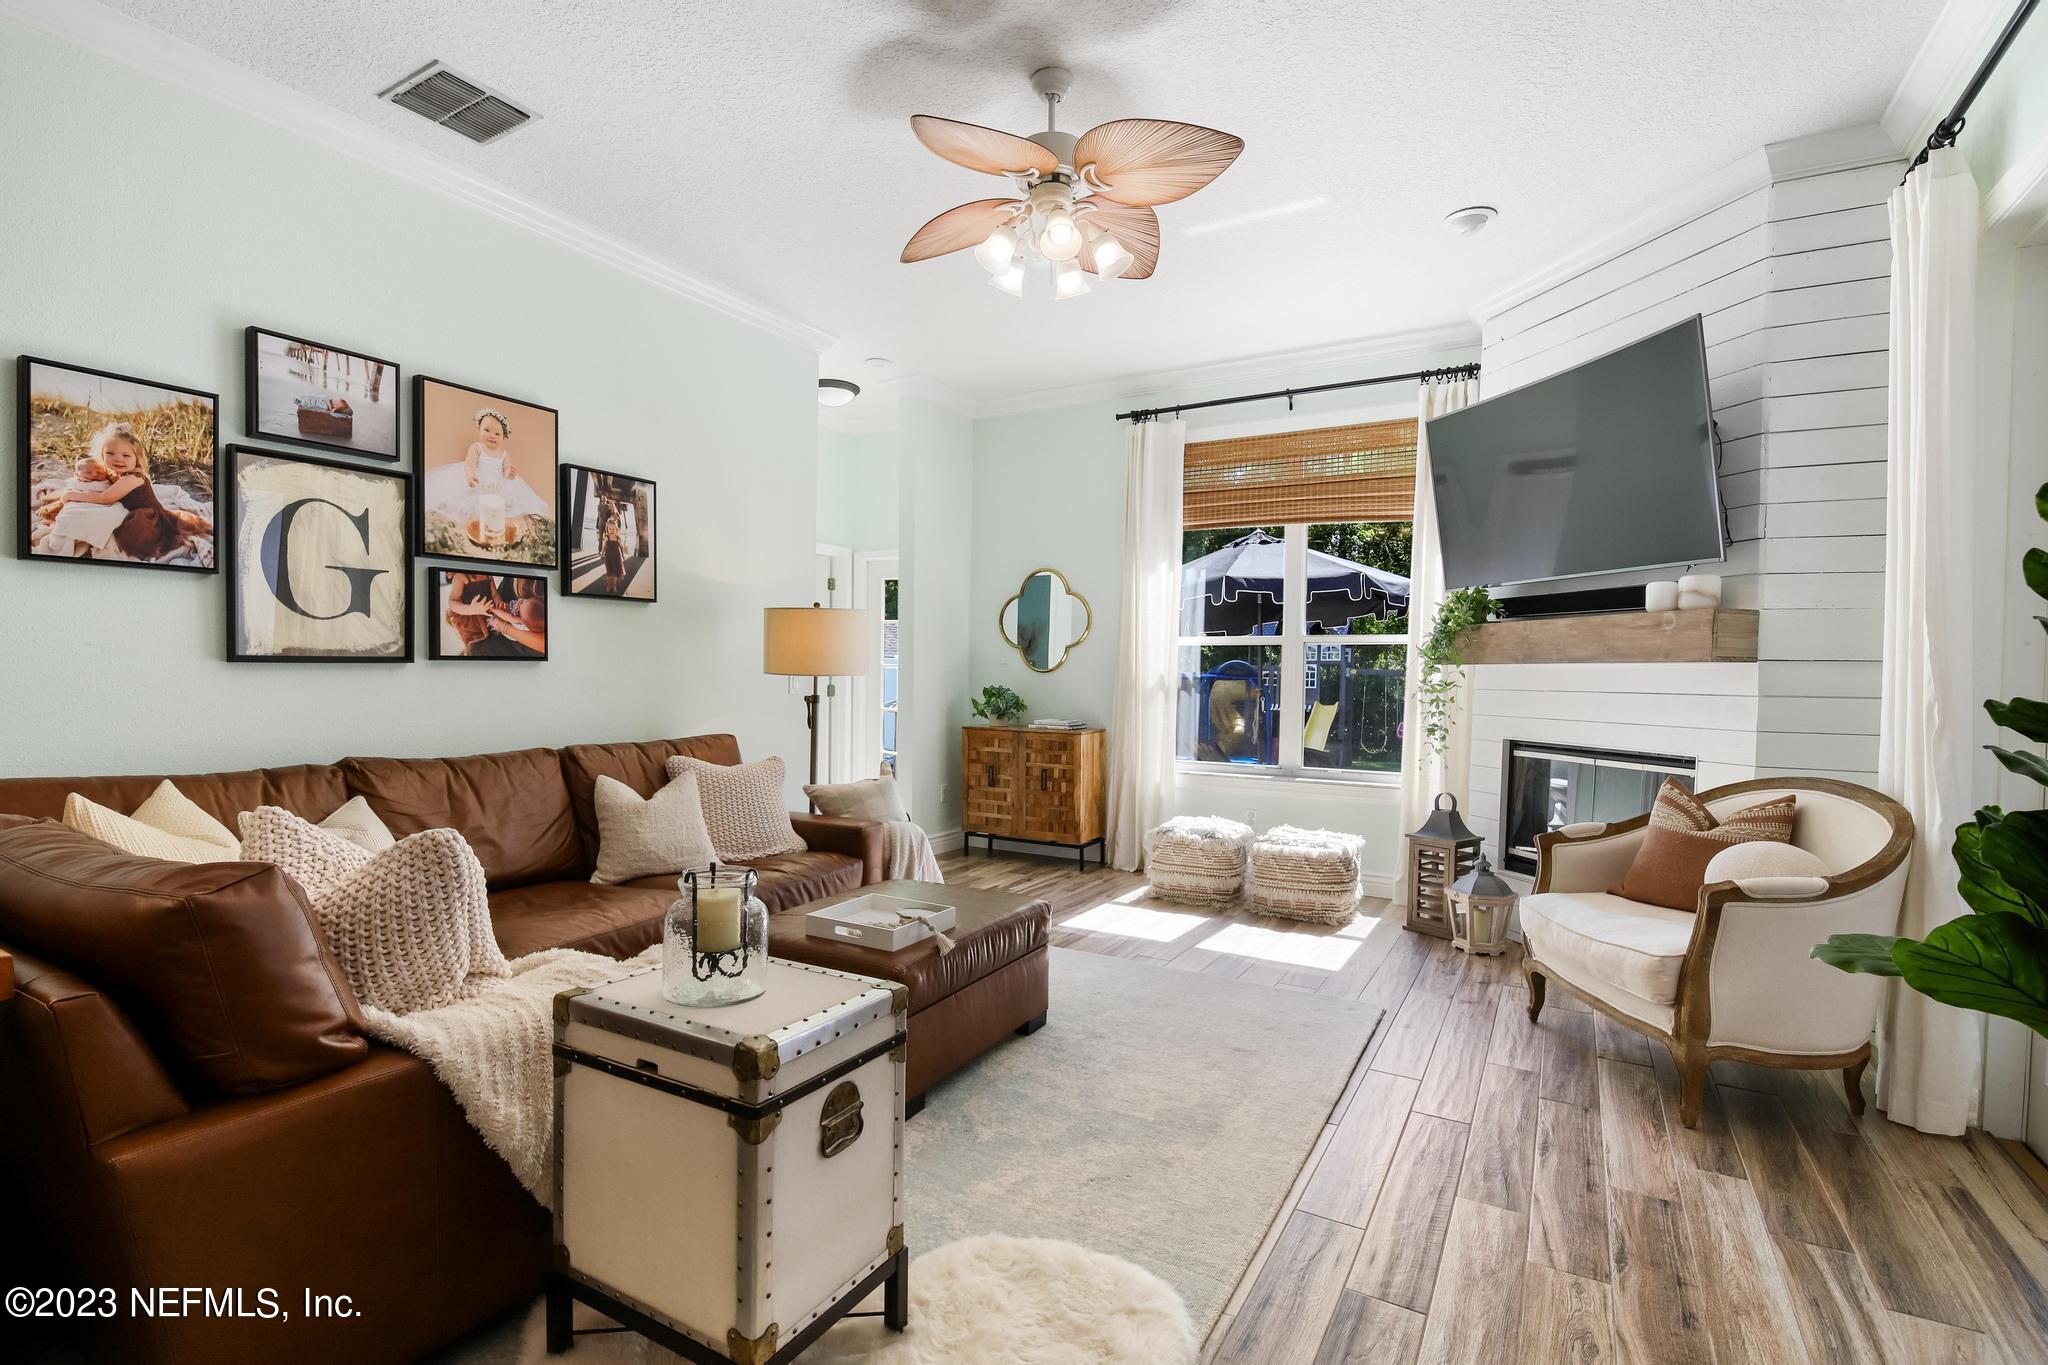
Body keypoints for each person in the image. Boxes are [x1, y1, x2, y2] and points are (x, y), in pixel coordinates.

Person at [51, 422, 211, 561]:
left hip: (146, 520)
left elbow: (105, 497)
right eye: (110, 453)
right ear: (101, 455)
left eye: (126, 455)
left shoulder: (132, 478)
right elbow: (93, 474)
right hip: (134, 511)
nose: (118, 459)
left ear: (137, 459)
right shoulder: (115, 472)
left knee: (123, 536)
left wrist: (74, 495)